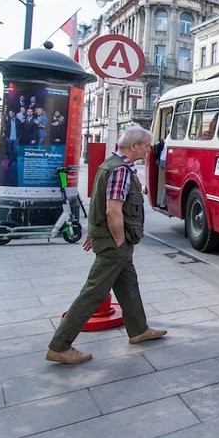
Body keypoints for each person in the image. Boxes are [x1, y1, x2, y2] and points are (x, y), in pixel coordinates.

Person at [46, 126, 167, 364]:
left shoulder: (111, 165)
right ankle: (59, 346)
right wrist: (119, 241)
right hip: (115, 243)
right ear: (134, 146)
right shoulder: (120, 170)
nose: (148, 151)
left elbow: (97, 203)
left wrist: (95, 231)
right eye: (146, 146)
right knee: (94, 292)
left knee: (128, 283)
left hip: (112, 239)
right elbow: (112, 209)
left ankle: (139, 330)